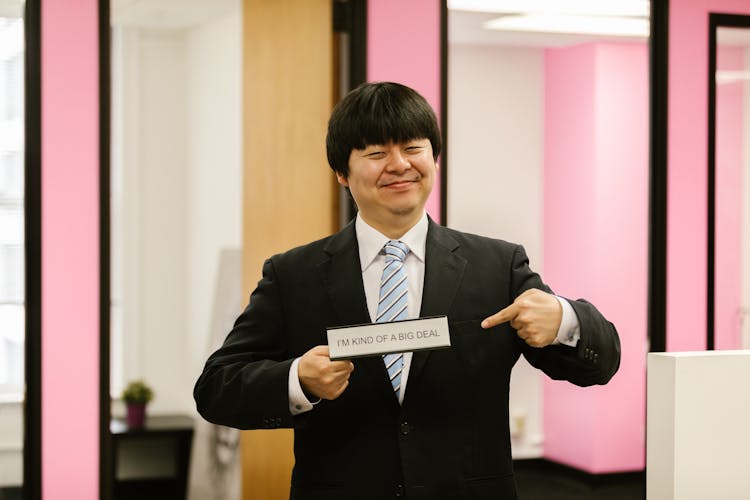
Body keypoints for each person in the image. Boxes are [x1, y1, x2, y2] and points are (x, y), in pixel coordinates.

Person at [194, 81, 620, 500]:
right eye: (377, 153)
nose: (399, 165)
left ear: (434, 158)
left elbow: (601, 364)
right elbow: (216, 388)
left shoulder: (498, 266)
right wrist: (297, 380)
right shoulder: (293, 274)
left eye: (413, 148)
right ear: (342, 172)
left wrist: (565, 319)